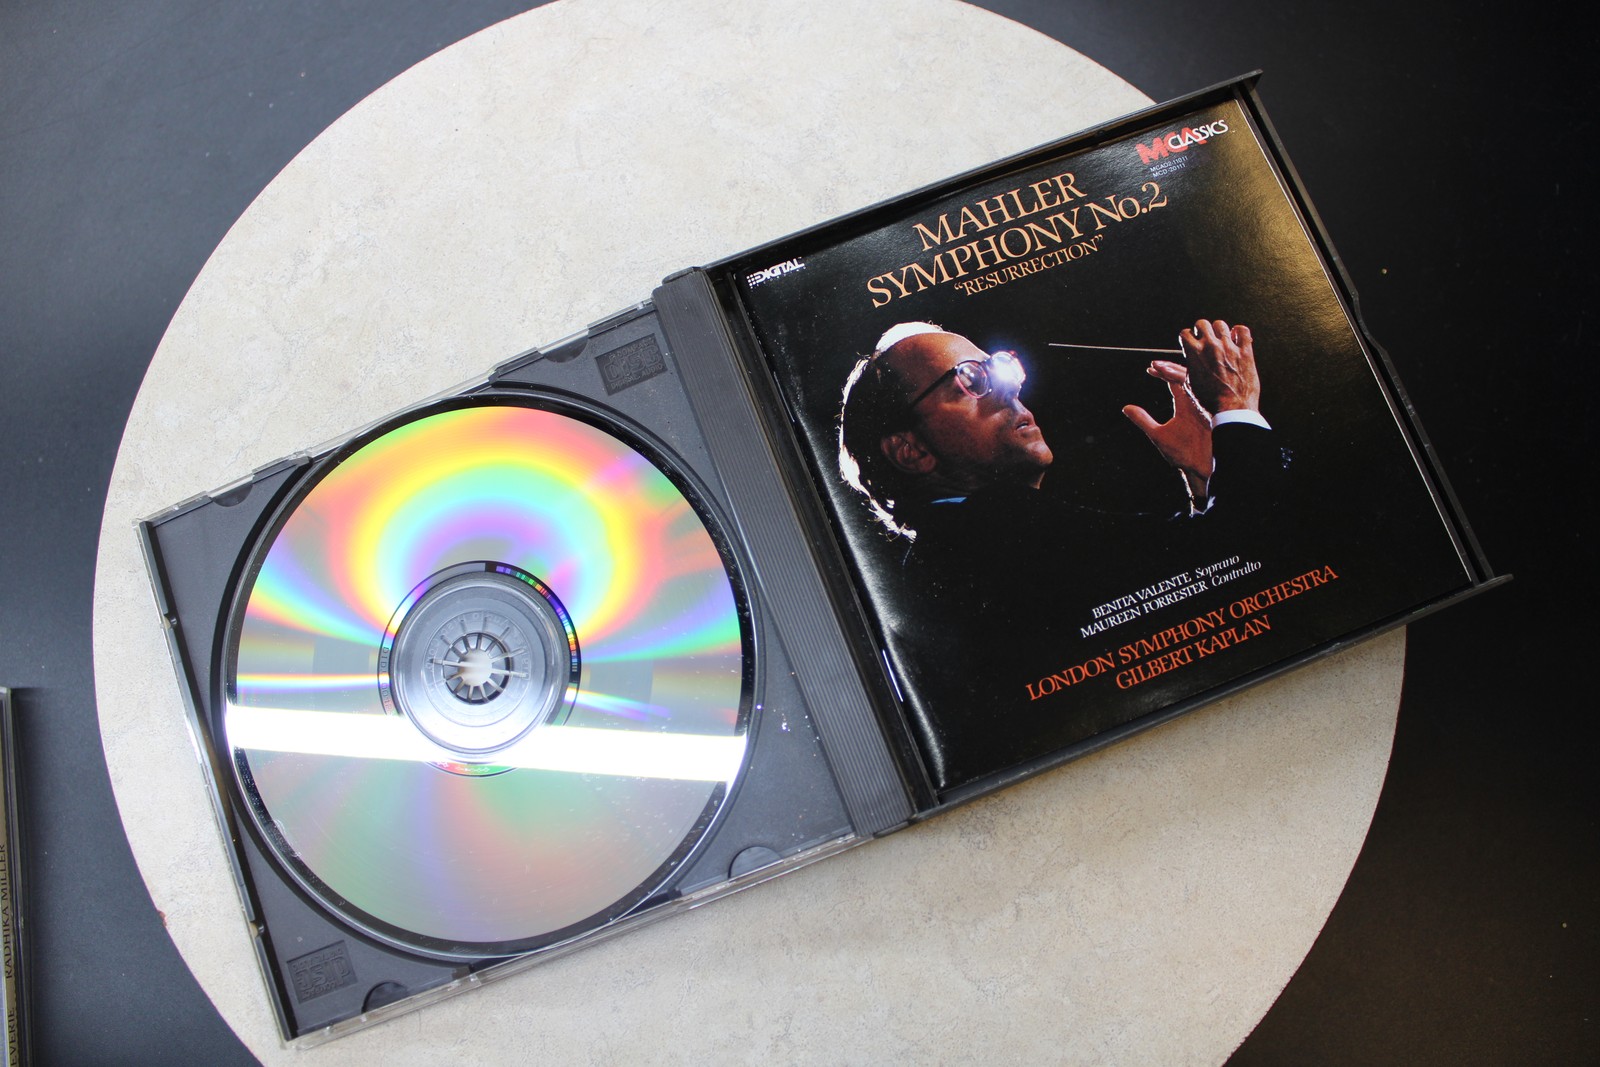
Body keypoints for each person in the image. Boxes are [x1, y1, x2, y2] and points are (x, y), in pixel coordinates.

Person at [836, 318, 1288, 788]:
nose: (1008, 389)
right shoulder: (990, 534)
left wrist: (1204, 478)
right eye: (969, 379)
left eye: (999, 367)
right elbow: (1252, 553)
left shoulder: (959, 547)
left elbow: (1204, 577)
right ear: (910, 450)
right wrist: (1234, 406)